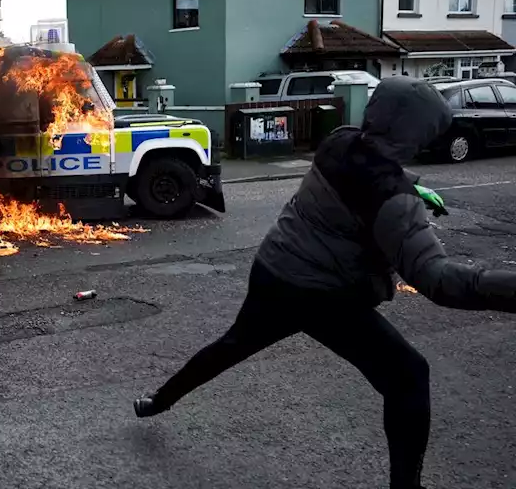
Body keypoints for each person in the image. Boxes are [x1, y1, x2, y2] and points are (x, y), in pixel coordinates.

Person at [131, 77, 516, 489]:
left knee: (232, 345)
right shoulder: (392, 199)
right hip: (324, 295)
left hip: (275, 269)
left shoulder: (340, 141)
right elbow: (440, 281)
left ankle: (158, 400)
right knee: (408, 376)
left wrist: (413, 186)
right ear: (417, 132)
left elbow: (369, 171)